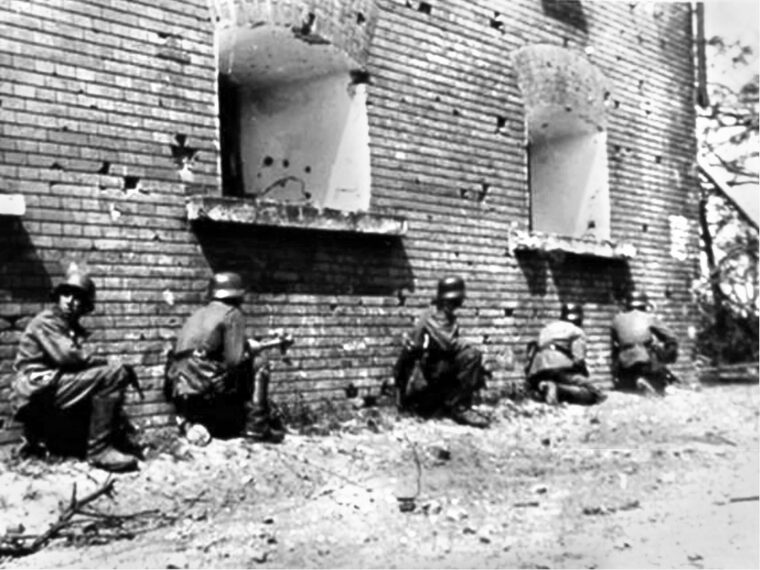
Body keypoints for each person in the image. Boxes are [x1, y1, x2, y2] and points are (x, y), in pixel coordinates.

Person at [11, 270, 142, 472]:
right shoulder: (47, 321)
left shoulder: (67, 326)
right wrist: (109, 362)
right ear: (58, 297)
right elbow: (68, 356)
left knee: (104, 381)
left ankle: (68, 446)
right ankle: (99, 451)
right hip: (35, 391)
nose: (71, 301)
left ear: (85, 305)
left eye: (78, 297)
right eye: (66, 295)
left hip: (50, 387)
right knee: (113, 375)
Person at [164, 272, 291, 444]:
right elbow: (234, 360)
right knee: (260, 362)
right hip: (204, 380)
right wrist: (250, 352)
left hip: (179, 380)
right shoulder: (232, 314)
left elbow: (208, 347)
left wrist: (247, 345)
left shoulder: (200, 313)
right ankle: (257, 426)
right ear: (237, 295)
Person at [392, 276, 490, 428]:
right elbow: (448, 344)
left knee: (471, 356)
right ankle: (459, 408)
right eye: (459, 298)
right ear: (450, 299)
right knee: (472, 356)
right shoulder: (434, 316)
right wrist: (468, 346)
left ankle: (453, 403)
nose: (461, 302)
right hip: (429, 372)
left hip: (440, 367)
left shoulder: (444, 314)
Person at [525, 303, 606, 405]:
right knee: (593, 393)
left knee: (539, 388)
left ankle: (543, 387)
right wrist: (582, 374)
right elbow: (578, 359)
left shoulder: (546, 328)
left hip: (538, 369)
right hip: (561, 368)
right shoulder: (577, 331)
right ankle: (559, 389)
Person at [611, 291, 679, 395]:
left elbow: (615, 342)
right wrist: (666, 353)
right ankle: (657, 381)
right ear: (644, 304)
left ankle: (636, 380)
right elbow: (671, 337)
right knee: (666, 346)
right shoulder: (649, 318)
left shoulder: (616, 319)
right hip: (645, 359)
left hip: (624, 362)